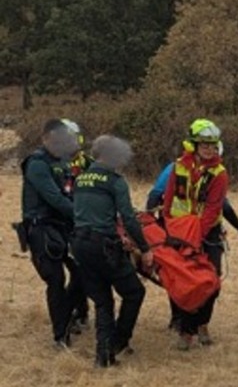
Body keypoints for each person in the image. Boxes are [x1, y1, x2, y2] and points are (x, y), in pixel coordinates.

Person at [71, 135, 154, 367]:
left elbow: (86, 212)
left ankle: (103, 356)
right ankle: (119, 341)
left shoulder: (81, 179)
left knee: (102, 301)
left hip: (80, 244)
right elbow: (128, 217)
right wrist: (144, 248)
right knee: (134, 292)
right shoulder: (115, 181)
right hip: (104, 247)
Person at [162, 118, 230, 350]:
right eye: (204, 145)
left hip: (207, 233)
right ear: (194, 145)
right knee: (183, 280)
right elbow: (169, 196)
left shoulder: (219, 174)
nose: (209, 150)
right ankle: (186, 331)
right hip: (179, 231)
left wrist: (197, 236)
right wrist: (167, 223)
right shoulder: (179, 166)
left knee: (212, 280)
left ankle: (202, 323)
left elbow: (212, 209)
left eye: (213, 145)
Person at [20, 119, 86, 348]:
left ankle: (70, 315)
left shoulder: (63, 162)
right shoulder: (37, 164)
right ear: (46, 138)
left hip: (63, 227)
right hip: (42, 229)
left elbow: (70, 193)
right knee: (56, 279)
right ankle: (61, 335)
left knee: (82, 273)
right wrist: (82, 215)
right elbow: (54, 198)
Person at [146, 158, 238, 249]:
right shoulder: (209, 174)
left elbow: (155, 195)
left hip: (175, 227)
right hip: (197, 230)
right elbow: (223, 206)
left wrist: (152, 224)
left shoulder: (175, 168)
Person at [62, 118, 94, 334]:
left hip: (85, 226)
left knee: (82, 271)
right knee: (77, 271)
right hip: (63, 226)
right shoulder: (54, 166)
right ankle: (71, 314)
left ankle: (80, 313)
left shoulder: (88, 163)